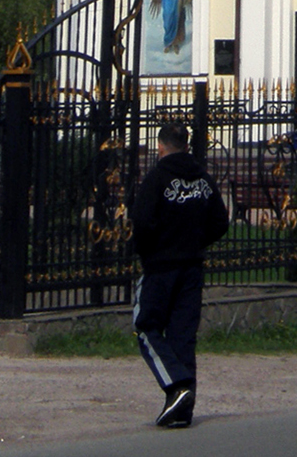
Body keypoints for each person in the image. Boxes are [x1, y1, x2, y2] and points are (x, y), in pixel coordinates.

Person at [132, 119, 229, 429]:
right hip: (192, 267)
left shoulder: (157, 178)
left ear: (160, 147)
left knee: (146, 328)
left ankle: (178, 385)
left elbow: (142, 223)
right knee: (182, 336)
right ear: (186, 145)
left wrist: (150, 251)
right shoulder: (203, 178)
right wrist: (195, 241)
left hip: (161, 267)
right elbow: (220, 222)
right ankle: (181, 409)